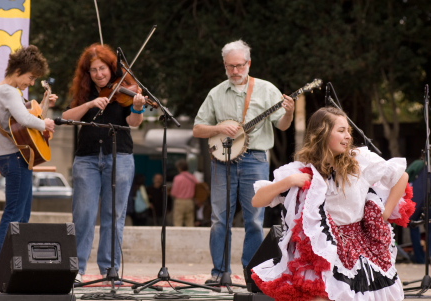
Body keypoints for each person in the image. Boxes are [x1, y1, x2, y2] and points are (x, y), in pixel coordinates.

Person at [251, 107, 413, 301]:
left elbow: (401, 176)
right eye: (341, 131)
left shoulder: (360, 161)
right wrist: (289, 181)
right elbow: (258, 200)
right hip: (324, 246)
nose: (347, 137)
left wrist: (384, 214)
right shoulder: (302, 169)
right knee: (321, 296)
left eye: (348, 132)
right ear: (322, 133)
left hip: (357, 245)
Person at [193, 40, 295, 281]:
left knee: (255, 221)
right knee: (219, 220)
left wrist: (289, 112)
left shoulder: (267, 89)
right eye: (230, 67)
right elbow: (197, 129)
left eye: (239, 66)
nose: (235, 72)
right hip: (222, 161)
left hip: (256, 159)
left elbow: (281, 125)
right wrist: (218, 127)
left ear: (249, 63)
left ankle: (253, 277)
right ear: (224, 65)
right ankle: (219, 274)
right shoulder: (216, 93)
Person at [62, 43, 146, 283]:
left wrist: (138, 108)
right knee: (83, 214)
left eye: (103, 69)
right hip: (86, 158)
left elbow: (134, 122)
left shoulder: (125, 90)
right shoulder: (83, 93)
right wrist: (89, 104)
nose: (99, 74)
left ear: (112, 68)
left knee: (114, 215)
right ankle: (76, 270)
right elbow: (66, 118)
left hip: (119, 156)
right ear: (87, 73)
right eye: (93, 70)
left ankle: (110, 270)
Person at [0, 45, 56, 266]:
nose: (32, 83)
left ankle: (13, 267)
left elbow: (23, 125)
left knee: (20, 216)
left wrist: (44, 108)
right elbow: (26, 120)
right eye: (30, 77)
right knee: (15, 216)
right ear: (17, 71)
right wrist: (45, 122)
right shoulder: (8, 91)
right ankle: (4, 269)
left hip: (13, 158)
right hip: (15, 158)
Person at [170, 159, 197, 227]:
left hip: (180, 201)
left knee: (178, 221)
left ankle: (178, 237)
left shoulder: (177, 178)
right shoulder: (192, 177)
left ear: (179, 168)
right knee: (190, 221)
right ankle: (190, 236)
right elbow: (197, 187)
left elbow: (173, 192)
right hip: (190, 201)